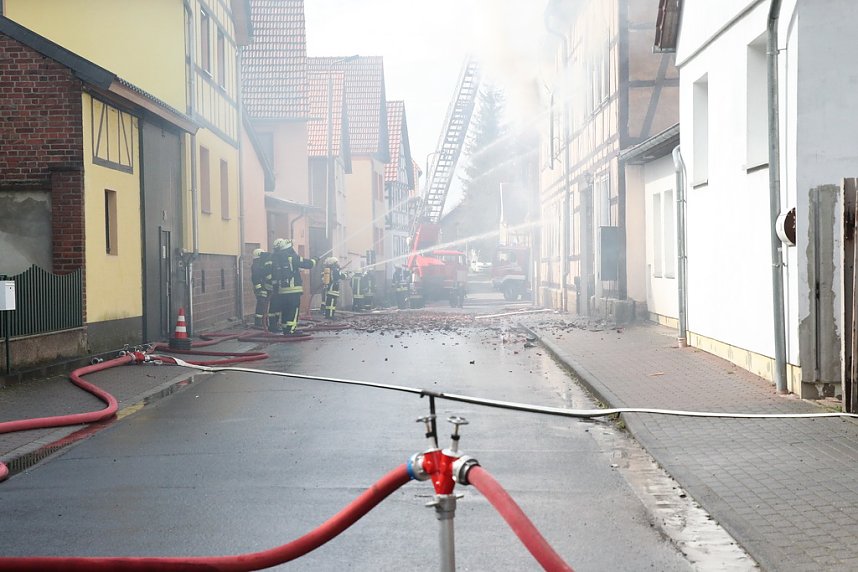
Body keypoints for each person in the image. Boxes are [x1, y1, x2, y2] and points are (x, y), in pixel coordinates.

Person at [271, 238, 316, 334]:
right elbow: (307, 264)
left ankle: (285, 329)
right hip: (293, 290)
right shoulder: (291, 257)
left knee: (285, 310)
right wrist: (315, 260)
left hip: (282, 291)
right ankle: (291, 331)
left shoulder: (276, 258)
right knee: (293, 311)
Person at [250, 248, 274, 329]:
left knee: (264, 305)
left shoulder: (259, 263)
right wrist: (259, 288)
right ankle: (258, 322)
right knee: (261, 304)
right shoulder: (256, 265)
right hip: (261, 288)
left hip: (263, 287)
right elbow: (255, 278)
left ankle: (264, 322)